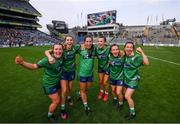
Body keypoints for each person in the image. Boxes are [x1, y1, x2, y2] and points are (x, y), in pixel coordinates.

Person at [15, 43, 64, 122]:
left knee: (60, 95)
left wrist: (48, 52)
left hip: (57, 82)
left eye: (60, 49)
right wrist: (22, 63)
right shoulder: (47, 60)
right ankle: (50, 115)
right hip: (49, 84)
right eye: (56, 49)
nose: (58, 51)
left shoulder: (62, 56)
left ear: (62, 50)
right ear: (53, 50)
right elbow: (34, 66)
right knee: (56, 101)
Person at [45, 35, 80, 117]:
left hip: (71, 71)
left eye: (71, 40)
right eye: (67, 40)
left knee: (70, 88)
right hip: (63, 72)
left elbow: (84, 46)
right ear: (65, 41)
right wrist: (50, 57)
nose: (69, 41)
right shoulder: (61, 48)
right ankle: (63, 108)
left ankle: (69, 97)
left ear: (73, 41)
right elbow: (47, 51)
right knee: (64, 90)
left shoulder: (75, 48)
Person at [123, 41, 149, 120]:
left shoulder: (136, 57)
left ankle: (132, 113)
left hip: (133, 80)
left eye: (131, 47)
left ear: (133, 49)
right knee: (124, 94)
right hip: (125, 78)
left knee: (127, 96)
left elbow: (147, 63)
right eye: (127, 47)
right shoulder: (124, 55)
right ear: (124, 48)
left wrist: (141, 52)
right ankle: (125, 99)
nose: (129, 48)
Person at [78, 35, 95, 115]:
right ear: (84, 42)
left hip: (90, 74)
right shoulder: (80, 49)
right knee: (83, 90)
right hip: (82, 74)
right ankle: (86, 106)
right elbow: (69, 47)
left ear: (92, 42)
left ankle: (79, 94)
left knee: (87, 89)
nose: (88, 43)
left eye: (90, 41)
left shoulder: (94, 49)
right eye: (87, 41)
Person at [108, 44, 124, 111]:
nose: (115, 51)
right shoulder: (109, 57)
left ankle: (120, 103)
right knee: (113, 90)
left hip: (120, 78)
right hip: (112, 77)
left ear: (119, 50)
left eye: (116, 49)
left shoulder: (123, 57)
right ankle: (115, 98)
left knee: (118, 92)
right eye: (113, 50)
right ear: (111, 51)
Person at [95, 36, 110, 102]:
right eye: (98, 41)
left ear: (104, 42)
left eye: (101, 41)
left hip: (107, 67)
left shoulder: (108, 48)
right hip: (100, 67)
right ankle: (101, 91)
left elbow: (117, 51)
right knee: (101, 81)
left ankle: (106, 93)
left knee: (105, 82)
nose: (99, 43)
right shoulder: (96, 49)